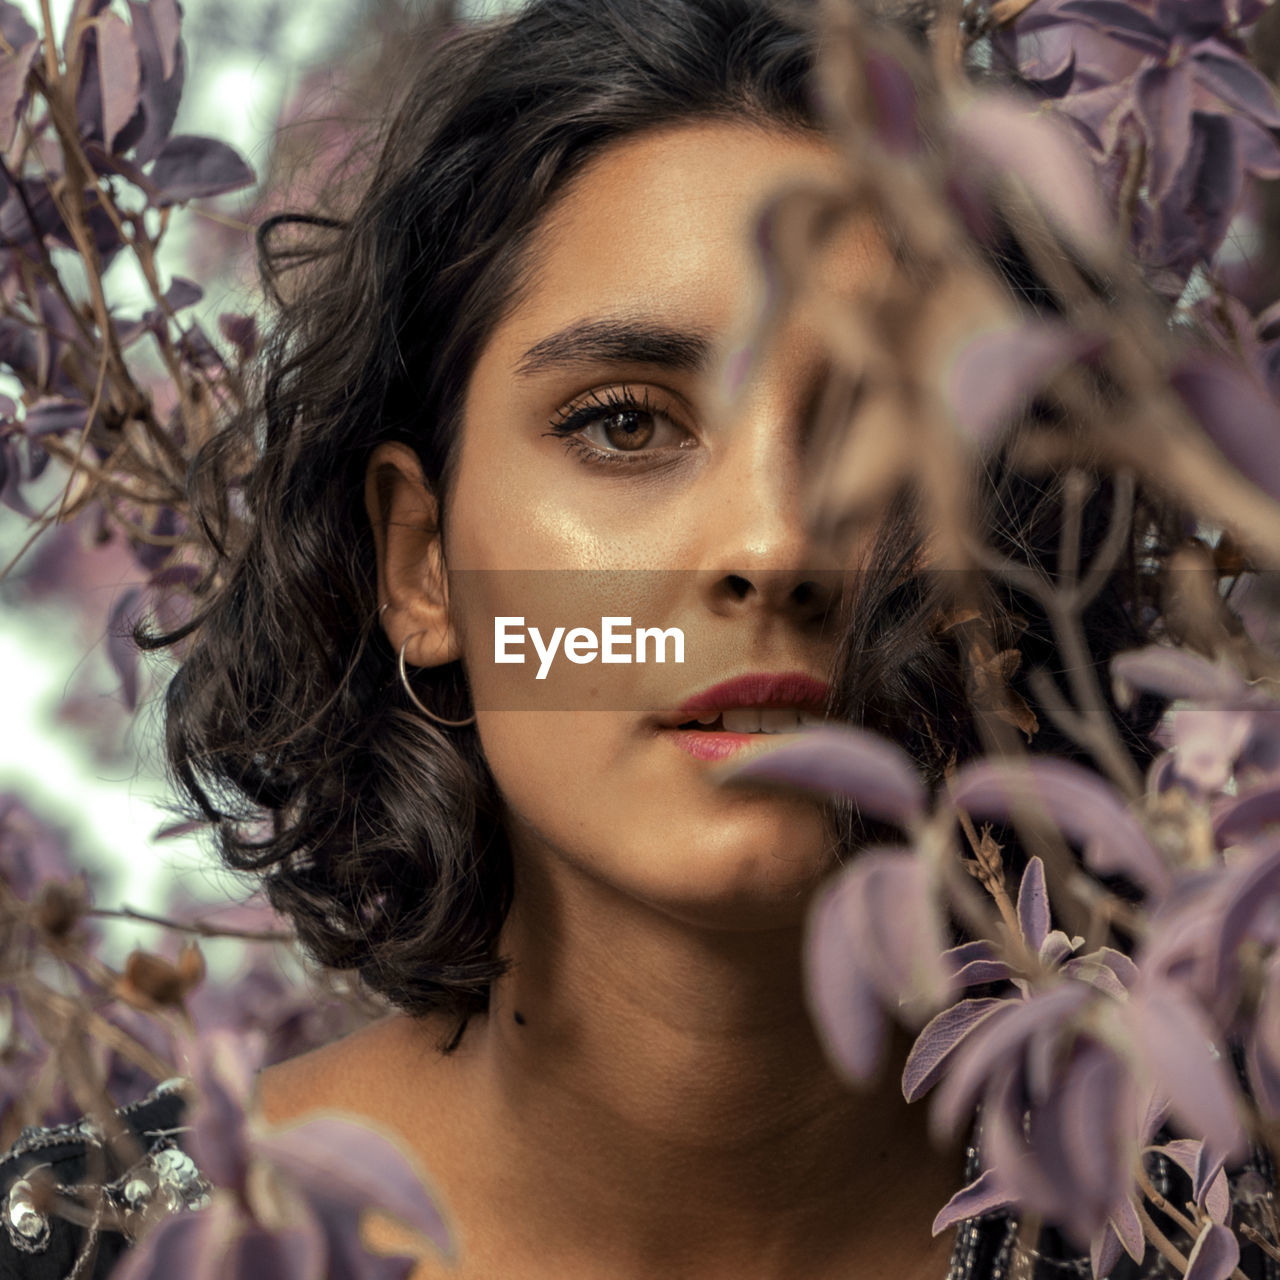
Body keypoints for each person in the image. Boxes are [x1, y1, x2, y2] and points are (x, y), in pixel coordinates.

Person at [2, 0, 1256, 1277]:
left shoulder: (1206, 1228)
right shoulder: (93, 1246)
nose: (769, 546)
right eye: (621, 424)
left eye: (881, 428)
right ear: (420, 561)